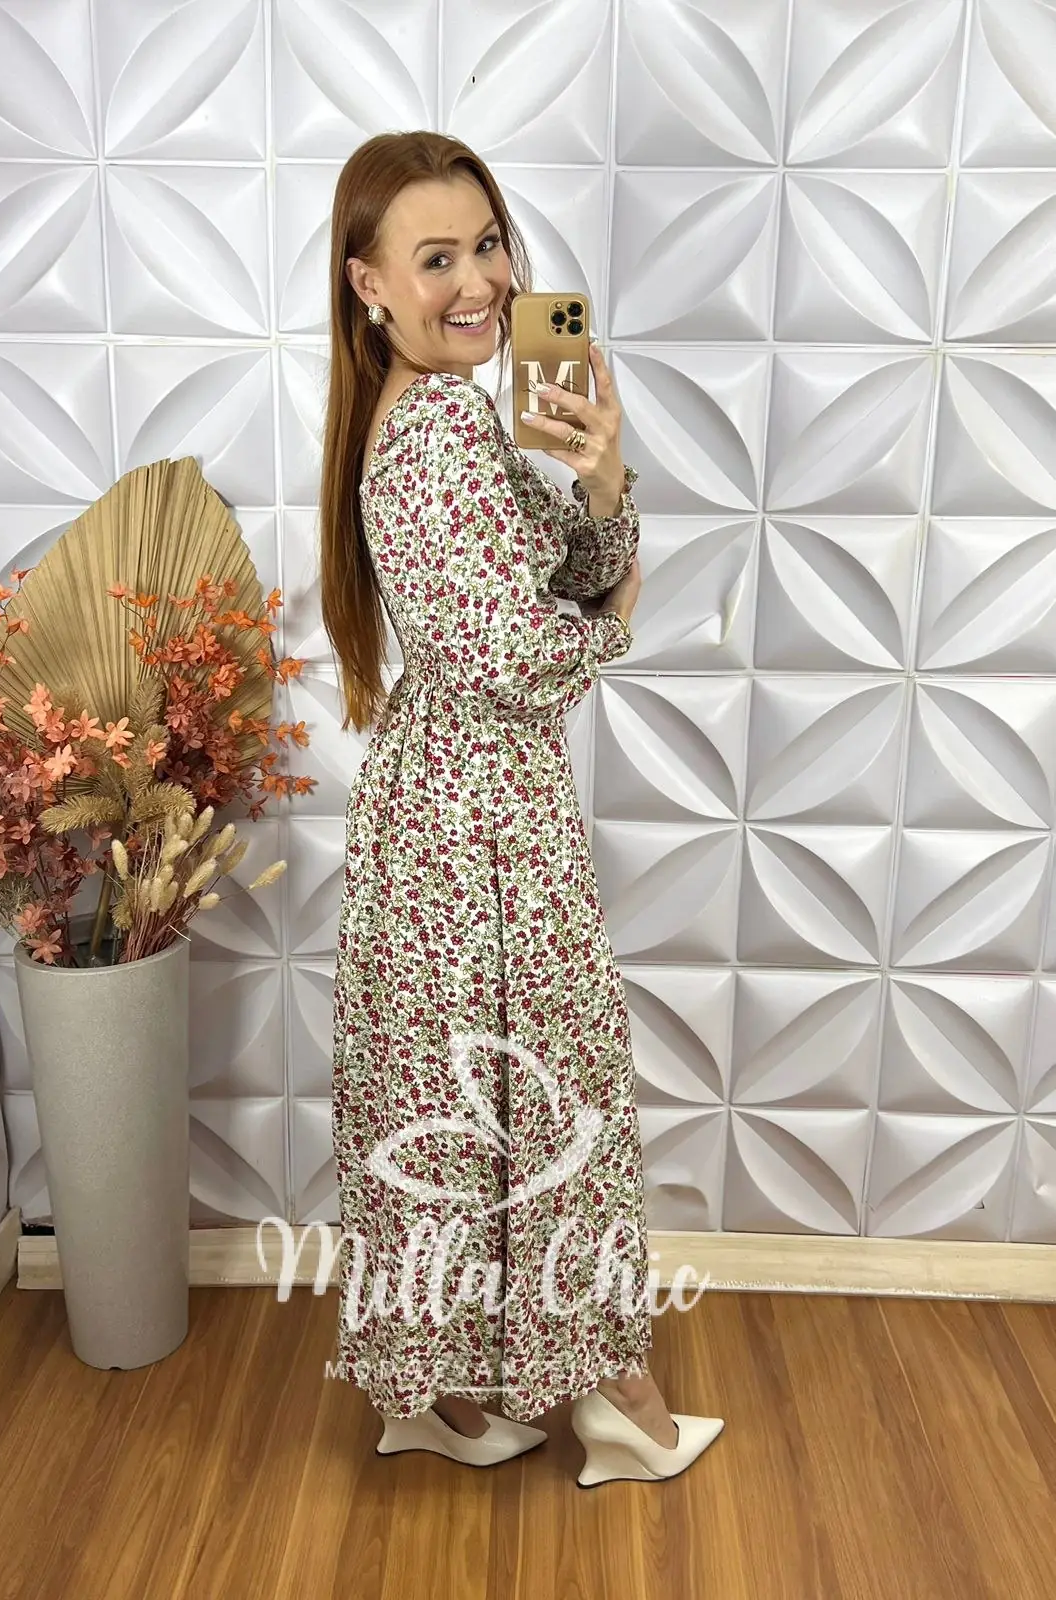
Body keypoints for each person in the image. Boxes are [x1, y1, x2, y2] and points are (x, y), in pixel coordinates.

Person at [319, 130, 724, 1487]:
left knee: (451, 1094)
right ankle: (617, 1400)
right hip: (478, 823)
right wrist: (609, 625)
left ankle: (432, 1395)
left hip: (444, 809)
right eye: (435, 257)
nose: (481, 281)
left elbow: (555, 567)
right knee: (549, 1102)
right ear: (369, 282)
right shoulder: (439, 425)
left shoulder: (429, 412)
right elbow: (511, 645)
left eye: (488, 244)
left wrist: (601, 480)